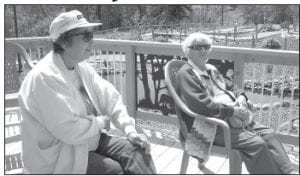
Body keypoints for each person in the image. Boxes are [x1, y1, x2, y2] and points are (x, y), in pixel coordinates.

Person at [18, 10, 156, 174]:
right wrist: (100, 122)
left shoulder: (81, 67)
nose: (92, 42)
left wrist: (130, 130)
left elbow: (110, 98)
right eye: (86, 37)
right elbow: (68, 130)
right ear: (63, 42)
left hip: (88, 141)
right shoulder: (44, 77)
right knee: (115, 170)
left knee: (138, 152)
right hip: (60, 155)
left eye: (92, 35)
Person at [175, 32, 295, 174]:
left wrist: (242, 97)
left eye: (206, 46)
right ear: (188, 51)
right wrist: (232, 111)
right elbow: (201, 105)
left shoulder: (210, 69)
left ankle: (289, 172)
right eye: (197, 47)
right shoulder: (186, 74)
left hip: (231, 118)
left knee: (269, 134)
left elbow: (231, 87)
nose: (203, 50)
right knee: (257, 144)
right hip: (206, 125)